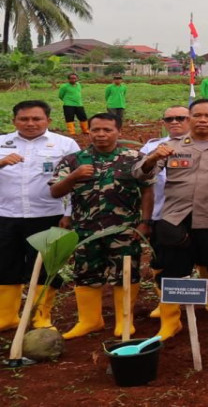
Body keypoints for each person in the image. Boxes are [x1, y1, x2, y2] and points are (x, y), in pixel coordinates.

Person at [134, 99, 208, 339]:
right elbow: (140, 175)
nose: (202, 120)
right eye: (197, 115)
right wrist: (152, 158)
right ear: (189, 119)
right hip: (177, 221)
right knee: (172, 272)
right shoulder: (169, 147)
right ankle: (170, 322)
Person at [50, 113, 153, 339]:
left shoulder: (134, 158)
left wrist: (145, 222)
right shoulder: (73, 160)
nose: (101, 134)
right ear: (89, 132)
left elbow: (147, 190)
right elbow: (56, 191)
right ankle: (90, 321)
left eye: (107, 130)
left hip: (125, 230)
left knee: (126, 273)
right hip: (85, 231)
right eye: (95, 130)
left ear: (118, 132)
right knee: (85, 273)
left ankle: (124, 321)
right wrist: (73, 177)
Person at [0, 100, 81, 331]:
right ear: (14, 121)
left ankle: (41, 317)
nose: (30, 123)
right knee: (5, 265)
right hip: (6, 215)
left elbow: (76, 182)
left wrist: (69, 213)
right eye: (24, 119)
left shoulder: (65, 144)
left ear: (48, 120)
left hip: (49, 215)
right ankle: (7, 317)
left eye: (36, 118)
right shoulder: (2, 142)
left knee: (47, 267)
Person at [139, 105, 191, 319]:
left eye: (180, 118)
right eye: (169, 119)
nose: (174, 122)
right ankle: (167, 304)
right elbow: (142, 181)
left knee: (205, 258)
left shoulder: (202, 145)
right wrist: (145, 218)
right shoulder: (152, 147)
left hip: (197, 213)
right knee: (162, 260)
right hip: (162, 214)